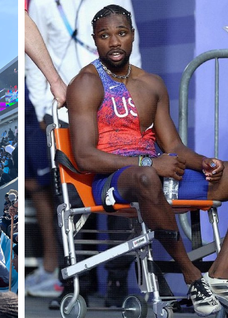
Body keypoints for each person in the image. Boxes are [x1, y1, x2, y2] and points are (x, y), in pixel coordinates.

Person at [67, 4, 228, 315]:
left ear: (132, 36)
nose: (114, 42)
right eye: (105, 36)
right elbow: (85, 156)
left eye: (121, 34)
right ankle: (193, 277)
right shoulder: (85, 83)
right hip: (116, 181)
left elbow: (175, 147)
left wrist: (205, 162)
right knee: (146, 178)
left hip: (160, 176)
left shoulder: (152, 83)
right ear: (94, 40)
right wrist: (148, 164)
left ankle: (219, 276)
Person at [25, 0, 142, 304]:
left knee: (121, 196)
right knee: (70, 199)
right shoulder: (42, 2)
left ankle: (117, 281)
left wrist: (133, 103)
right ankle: (78, 282)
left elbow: (133, 49)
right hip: (64, 111)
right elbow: (35, 53)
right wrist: (42, 108)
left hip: (114, 111)